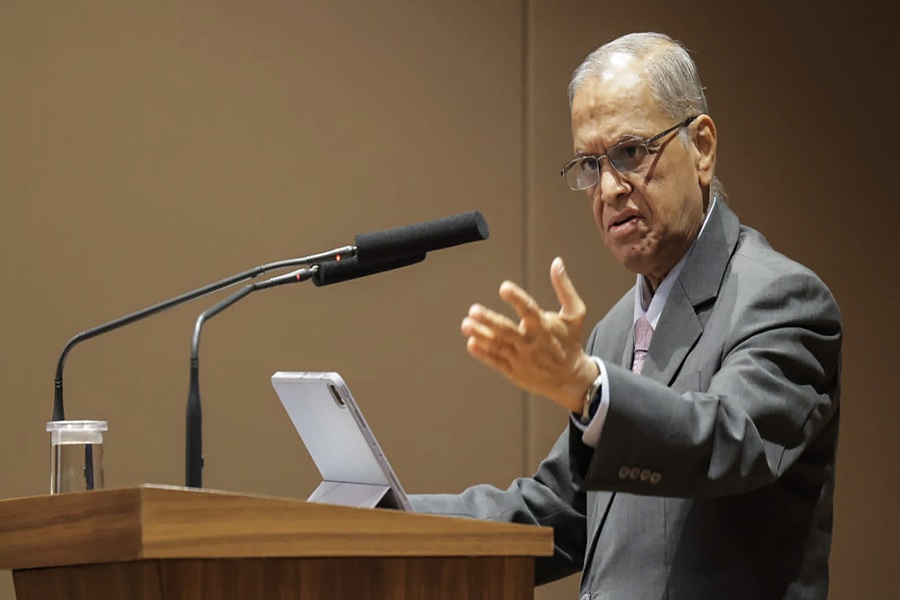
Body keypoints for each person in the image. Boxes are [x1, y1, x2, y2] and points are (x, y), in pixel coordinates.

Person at [410, 32, 842, 600]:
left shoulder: (781, 298)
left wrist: (591, 389)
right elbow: (560, 510)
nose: (610, 188)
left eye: (631, 152)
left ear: (702, 147)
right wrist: (392, 518)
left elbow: (726, 441)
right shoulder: (614, 331)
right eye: (590, 164)